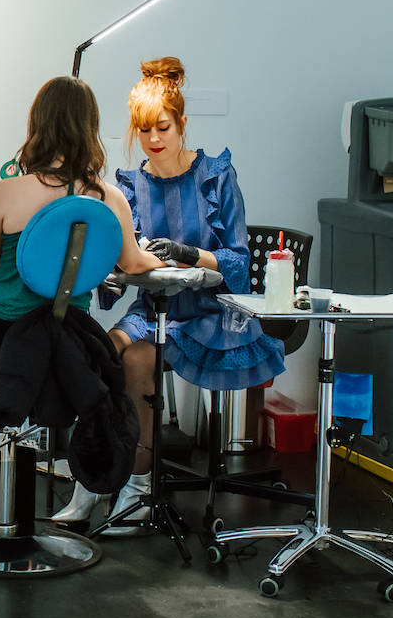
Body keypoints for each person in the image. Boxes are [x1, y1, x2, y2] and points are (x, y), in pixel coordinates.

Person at [54, 57, 285, 534]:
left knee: (137, 361)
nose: (153, 140)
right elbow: (123, 263)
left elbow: (240, 263)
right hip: (153, 307)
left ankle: (138, 490)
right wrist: (111, 273)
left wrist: (189, 254)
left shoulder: (216, 176)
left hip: (211, 312)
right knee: (97, 357)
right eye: (144, 131)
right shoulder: (130, 185)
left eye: (162, 127)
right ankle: (93, 482)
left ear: (182, 124)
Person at [0, 75, 164, 479]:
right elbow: (134, 263)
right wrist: (169, 257)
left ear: (38, 125)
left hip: (0, 326)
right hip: (66, 332)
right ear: (88, 128)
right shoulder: (110, 199)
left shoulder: (8, 191)